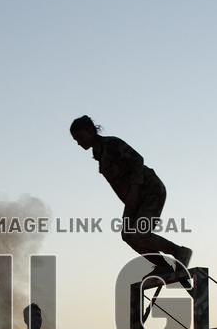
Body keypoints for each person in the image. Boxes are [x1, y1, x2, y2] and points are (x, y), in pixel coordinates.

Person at [70, 115, 192, 277]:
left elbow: (137, 160)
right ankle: (162, 266)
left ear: (90, 130)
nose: (78, 142)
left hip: (150, 190)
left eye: (80, 137)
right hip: (134, 200)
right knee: (127, 235)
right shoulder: (99, 154)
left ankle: (179, 252)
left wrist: (134, 189)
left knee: (140, 232)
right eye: (75, 139)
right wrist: (130, 202)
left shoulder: (111, 144)